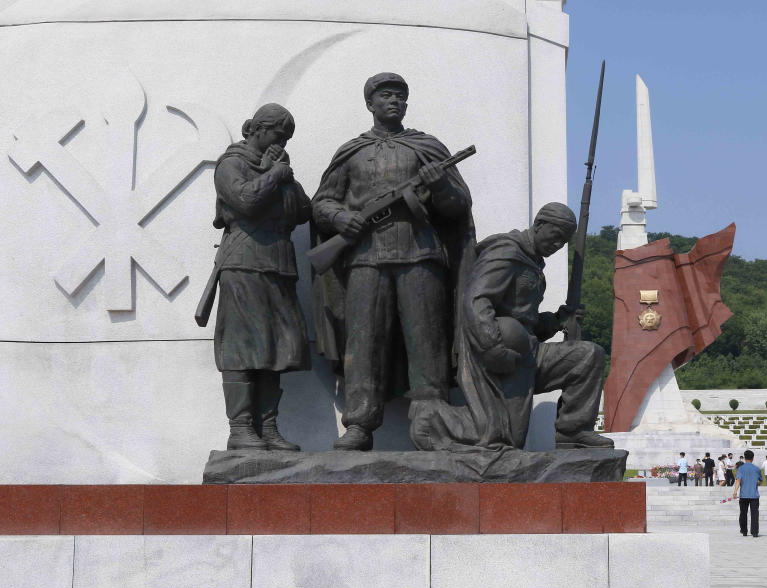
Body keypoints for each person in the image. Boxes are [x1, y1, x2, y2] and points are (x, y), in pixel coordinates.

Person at [312, 72, 474, 451]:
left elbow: (457, 208)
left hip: (421, 255)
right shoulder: (352, 152)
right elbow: (322, 203)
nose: (395, 101)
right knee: (364, 342)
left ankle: (432, 423)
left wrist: (438, 184)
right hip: (366, 258)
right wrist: (340, 218)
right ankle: (359, 424)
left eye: (401, 96)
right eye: (386, 96)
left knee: (427, 340)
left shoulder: (427, 147)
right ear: (370, 103)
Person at [408, 203, 613, 451]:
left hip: (527, 351)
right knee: (502, 439)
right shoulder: (506, 252)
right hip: (497, 353)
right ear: (539, 225)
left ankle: (574, 430)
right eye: (556, 236)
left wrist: (559, 319)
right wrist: (492, 348)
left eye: (564, 241)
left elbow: (528, 321)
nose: (558, 245)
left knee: (588, 356)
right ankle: (431, 419)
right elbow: (476, 301)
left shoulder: (533, 263)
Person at [210, 103, 311, 452]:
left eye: (286, 138)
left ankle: (268, 427)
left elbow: (303, 210)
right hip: (243, 262)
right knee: (240, 347)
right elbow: (245, 201)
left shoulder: (279, 169)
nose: (281, 141)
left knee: (276, 348)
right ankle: (240, 428)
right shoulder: (231, 164)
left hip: (278, 264)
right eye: (277, 134)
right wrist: (274, 175)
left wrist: (284, 174)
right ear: (256, 129)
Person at [731, 449, 762, 537]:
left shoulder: (741, 468)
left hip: (744, 495)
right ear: (753, 458)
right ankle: (754, 532)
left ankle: (744, 530)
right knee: (755, 514)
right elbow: (760, 481)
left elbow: (738, 480)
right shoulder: (756, 469)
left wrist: (735, 492)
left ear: (744, 458)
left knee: (743, 513)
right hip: (754, 495)